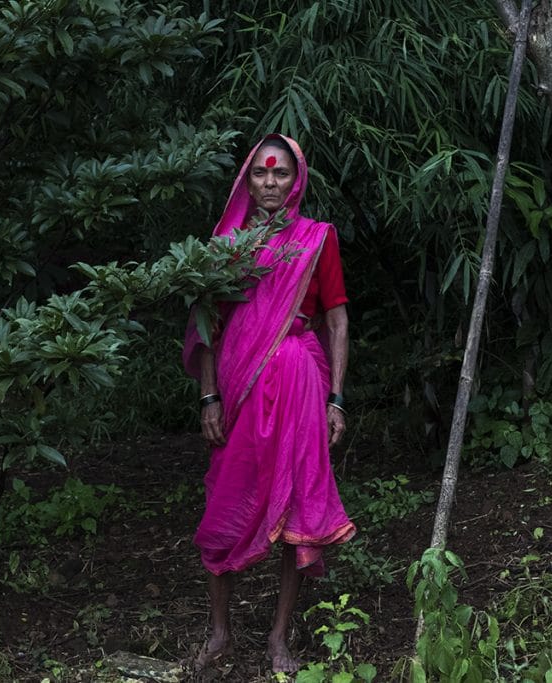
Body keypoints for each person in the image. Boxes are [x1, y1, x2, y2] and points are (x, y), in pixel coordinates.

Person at [182, 134, 356, 674]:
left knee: (295, 510)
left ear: (296, 179)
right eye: (261, 173)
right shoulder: (225, 245)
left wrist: (337, 400)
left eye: (281, 174)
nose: (271, 183)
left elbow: (336, 321)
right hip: (237, 389)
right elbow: (209, 323)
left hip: (302, 384)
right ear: (246, 179)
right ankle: (219, 633)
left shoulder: (315, 239)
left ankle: (279, 637)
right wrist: (208, 395)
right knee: (222, 511)